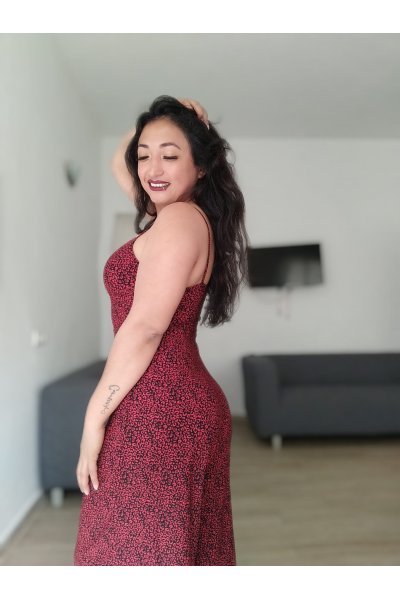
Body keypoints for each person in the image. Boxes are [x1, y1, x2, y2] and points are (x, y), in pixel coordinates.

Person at [73, 96, 249, 566]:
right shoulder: (174, 214)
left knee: (137, 555)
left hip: (162, 410)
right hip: (164, 401)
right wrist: (166, 114)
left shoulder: (179, 219)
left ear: (202, 166)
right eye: (145, 155)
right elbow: (119, 161)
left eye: (170, 155)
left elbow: (147, 328)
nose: (152, 168)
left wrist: (93, 418)